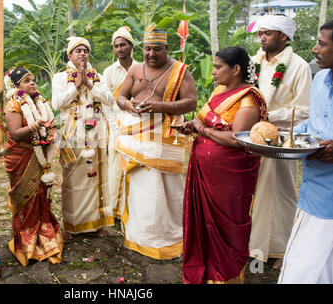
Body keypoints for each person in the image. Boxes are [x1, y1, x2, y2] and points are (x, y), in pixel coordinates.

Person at [180, 47, 267, 284]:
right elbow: (203, 118)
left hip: (230, 176)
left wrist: (203, 130)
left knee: (227, 225)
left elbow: (238, 139)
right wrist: (193, 125)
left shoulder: (249, 98)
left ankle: (226, 276)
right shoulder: (220, 90)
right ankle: (206, 269)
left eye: (218, 67)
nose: (214, 72)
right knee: (204, 225)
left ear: (236, 69)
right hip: (204, 170)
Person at [115, 26, 197, 260]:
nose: (151, 54)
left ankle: (168, 237)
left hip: (165, 136)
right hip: (137, 135)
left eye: (157, 49)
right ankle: (140, 236)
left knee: (166, 189)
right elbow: (121, 96)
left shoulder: (180, 71)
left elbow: (191, 102)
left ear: (167, 49)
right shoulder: (135, 69)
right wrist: (127, 105)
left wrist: (161, 107)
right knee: (142, 189)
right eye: (148, 49)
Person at [249, 14, 312, 270]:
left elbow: (304, 109)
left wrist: (267, 116)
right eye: (260, 33)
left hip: (283, 140)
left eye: (268, 33)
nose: (262, 37)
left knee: (282, 192)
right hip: (252, 137)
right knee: (255, 192)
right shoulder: (253, 62)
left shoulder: (299, 66)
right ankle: (253, 246)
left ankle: (282, 249)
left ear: (283, 37)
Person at [278, 20, 333, 284]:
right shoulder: (321, 79)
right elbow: (313, 123)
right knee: (305, 266)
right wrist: (279, 135)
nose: (314, 49)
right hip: (317, 191)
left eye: (322, 43)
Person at [52, 37, 115, 240]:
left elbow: (110, 99)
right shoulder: (60, 77)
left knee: (96, 177)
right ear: (69, 55)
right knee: (72, 180)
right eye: (77, 51)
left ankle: (97, 224)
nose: (82, 54)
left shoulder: (98, 77)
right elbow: (57, 103)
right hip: (72, 136)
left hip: (96, 135)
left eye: (85, 51)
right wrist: (76, 87)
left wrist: (89, 84)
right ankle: (71, 225)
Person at [3, 67, 64, 266]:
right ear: (17, 86)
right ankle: (27, 243)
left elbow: (49, 125)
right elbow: (15, 133)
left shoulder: (40, 102)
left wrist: (52, 131)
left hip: (40, 155)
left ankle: (45, 236)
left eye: (33, 80)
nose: (33, 83)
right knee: (26, 198)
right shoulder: (14, 104)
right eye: (27, 81)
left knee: (42, 195)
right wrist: (38, 126)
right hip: (21, 156)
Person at [102, 26, 138, 219]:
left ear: (131, 46)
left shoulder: (141, 68)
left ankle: (133, 207)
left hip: (137, 123)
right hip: (116, 123)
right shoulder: (108, 72)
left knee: (135, 163)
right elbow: (106, 103)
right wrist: (112, 125)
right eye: (116, 46)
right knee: (115, 164)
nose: (119, 49)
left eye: (123, 44)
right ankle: (114, 209)